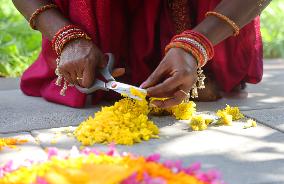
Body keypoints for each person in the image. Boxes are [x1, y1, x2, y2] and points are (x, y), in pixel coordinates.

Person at [13, 0, 271, 108]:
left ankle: (197, 65)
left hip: (204, 21)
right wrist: (66, 36)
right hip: (101, 32)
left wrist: (198, 44)